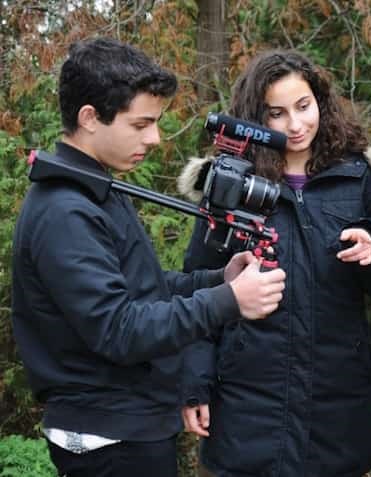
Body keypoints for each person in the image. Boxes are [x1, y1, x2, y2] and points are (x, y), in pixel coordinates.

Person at [11, 37, 286, 477]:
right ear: (89, 119)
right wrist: (230, 302)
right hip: (111, 441)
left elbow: (140, 287)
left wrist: (217, 280)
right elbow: (119, 329)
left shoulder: (94, 191)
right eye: (140, 124)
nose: (155, 138)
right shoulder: (65, 210)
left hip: (129, 428)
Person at [179, 49, 371, 476]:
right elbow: (197, 288)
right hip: (248, 409)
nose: (295, 124)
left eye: (304, 107)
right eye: (277, 113)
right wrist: (195, 383)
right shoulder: (233, 183)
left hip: (336, 407)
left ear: (320, 102)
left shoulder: (360, 177)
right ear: (257, 117)